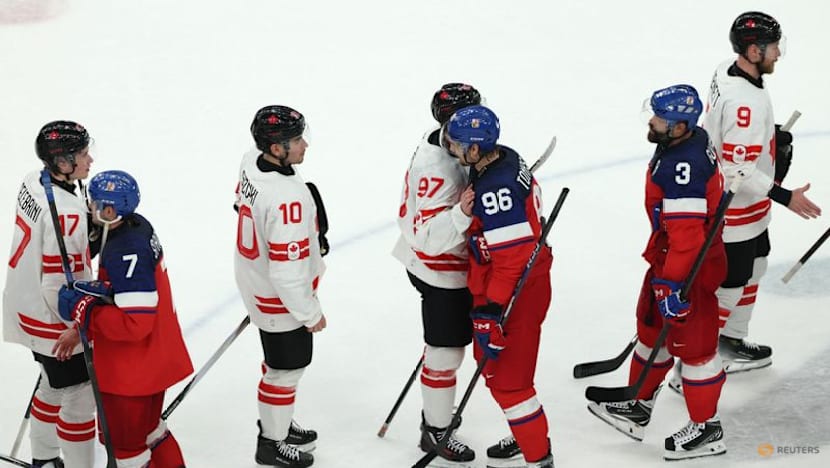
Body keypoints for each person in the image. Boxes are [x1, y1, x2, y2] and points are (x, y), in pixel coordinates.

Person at [587, 85, 728, 461]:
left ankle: (706, 429)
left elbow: (688, 237)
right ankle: (638, 404)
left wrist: (671, 286)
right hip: (671, 260)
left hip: (689, 268)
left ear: (681, 126)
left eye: (660, 119)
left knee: (695, 348)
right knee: (653, 329)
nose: (652, 122)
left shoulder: (684, 166)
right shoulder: (681, 143)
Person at [702, 11, 821, 373]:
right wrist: (786, 196)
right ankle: (698, 362)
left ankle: (732, 341)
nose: (778, 55)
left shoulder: (729, 69)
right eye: (772, 48)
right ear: (754, 51)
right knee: (732, 284)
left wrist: (771, 135)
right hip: (733, 210)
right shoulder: (745, 104)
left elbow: (733, 137)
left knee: (756, 266)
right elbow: (737, 168)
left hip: (749, 208)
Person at [56, 170, 194, 467]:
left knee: (128, 451)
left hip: (131, 374)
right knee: (152, 431)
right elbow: (123, 293)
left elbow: (136, 323)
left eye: (94, 204)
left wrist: (84, 312)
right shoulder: (135, 226)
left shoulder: (124, 250)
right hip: (154, 361)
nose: (88, 209)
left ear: (109, 210)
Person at [445, 105, 554, 468]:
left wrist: (492, 312)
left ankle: (538, 457)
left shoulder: (496, 186)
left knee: (510, 383)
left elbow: (512, 260)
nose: (451, 147)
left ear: (475, 150)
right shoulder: (501, 159)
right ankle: (526, 431)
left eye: (458, 144)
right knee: (495, 370)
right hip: (510, 285)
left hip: (514, 294)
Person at [391, 83, 481, 465]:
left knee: (443, 348)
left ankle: (437, 417)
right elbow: (429, 238)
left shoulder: (448, 144)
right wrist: (462, 212)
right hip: (438, 271)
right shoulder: (436, 167)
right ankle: (436, 430)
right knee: (446, 353)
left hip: (441, 265)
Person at [234, 105, 327, 468]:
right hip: (279, 299)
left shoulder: (249, 161)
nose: (305, 145)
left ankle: (279, 419)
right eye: (295, 140)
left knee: (278, 366)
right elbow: (287, 274)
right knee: (286, 369)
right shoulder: (286, 200)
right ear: (275, 149)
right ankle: (271, 442)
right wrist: (310, 312)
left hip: (255, 281)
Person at [2, 121, 97, 468]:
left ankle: (43, 458)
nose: (90, 161)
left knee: (52, 386)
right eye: (83, 154)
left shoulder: (34, 180)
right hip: (51, 318)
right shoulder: (68, 214)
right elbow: (56, 285)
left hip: (23, 306)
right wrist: (76, 326)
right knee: (79, 398)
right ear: (62, 162)